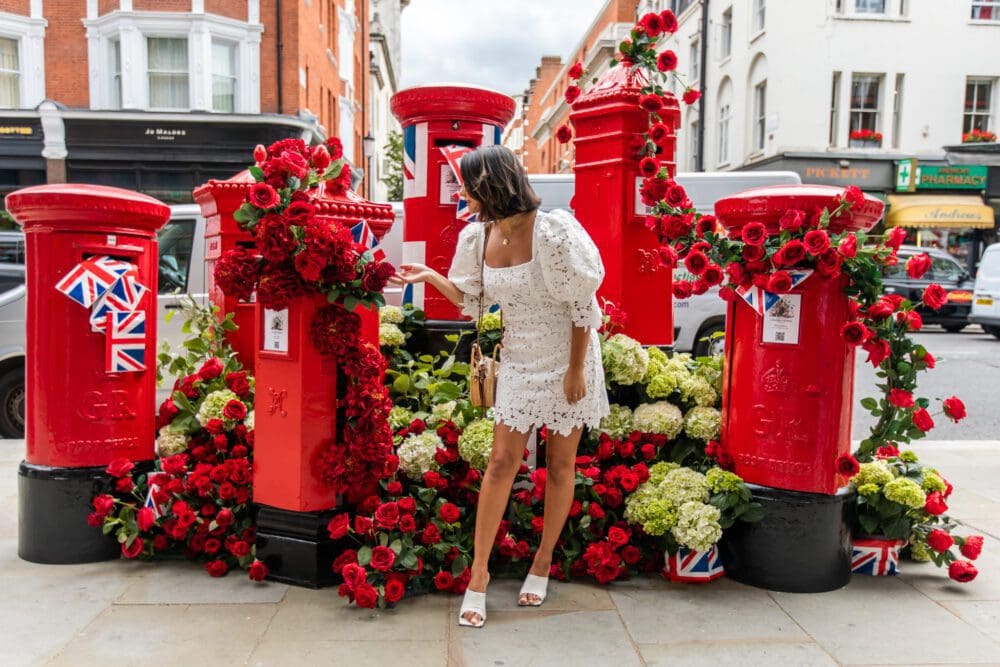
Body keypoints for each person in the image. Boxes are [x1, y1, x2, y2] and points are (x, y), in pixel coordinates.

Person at [390, 145, 609, 628]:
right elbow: (474, 298)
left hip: (568, 358)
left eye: (467, 184)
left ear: (492, 184)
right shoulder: (478, 235)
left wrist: (575, 370)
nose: (461, 192)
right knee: (500, 464)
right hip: (518, 358)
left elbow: (580, 305)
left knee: (559, 464)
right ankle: (480, 575)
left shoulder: (553, 231)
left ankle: (543, 560)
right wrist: (429, 276)